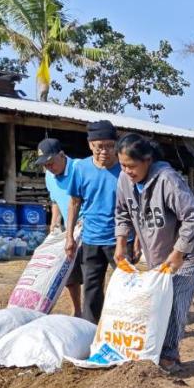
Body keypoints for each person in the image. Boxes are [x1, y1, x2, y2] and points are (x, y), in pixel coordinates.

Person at [113, 134, 194, 370]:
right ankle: (153, 349)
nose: (127, 170)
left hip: (192, 251)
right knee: (157, 300)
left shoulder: (167, 180)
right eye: (123, 165)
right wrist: (121, 243)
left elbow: (193, 217)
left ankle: (170, 355)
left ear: (147, 160)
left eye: (131, 165)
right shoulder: (124, 180)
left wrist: (179, 252)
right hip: (159, 250)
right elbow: (122, 212)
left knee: (175, 299)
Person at [63, 120, 122, 323]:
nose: (104, 151)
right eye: (99, 146)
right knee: (91, 288)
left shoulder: (125, 170)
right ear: (90, 145)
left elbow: (136, 207)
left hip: (121, 240)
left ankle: (120, 324)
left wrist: (138, 239)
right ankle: (89, 328)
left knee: (126, 284)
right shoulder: (81, 169)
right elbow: (74, 203)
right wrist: (69, 236)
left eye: (109, 146)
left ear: (116, 145)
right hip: (91, 239)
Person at [32, 137, 82, 317]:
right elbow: (55, 200)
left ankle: (96, 312)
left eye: (51, 163)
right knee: (69, 271)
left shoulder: (80, 168)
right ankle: (77, 309)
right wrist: (55, 222)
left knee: (93, 274)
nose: (49, 168)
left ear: (62, 155)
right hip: (69, 230)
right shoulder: (49, 176)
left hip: (87, 227)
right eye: (45, 165)